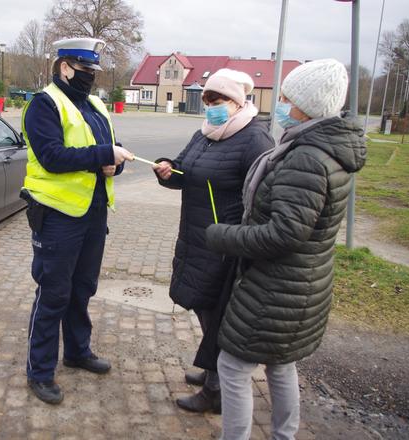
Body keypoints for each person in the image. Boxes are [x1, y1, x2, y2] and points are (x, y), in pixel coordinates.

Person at [205, 59, 366, 439]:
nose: (279, 102)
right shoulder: (324, 148)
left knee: (232, 366)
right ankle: (284, 435)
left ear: (306, 105)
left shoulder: (307, 157)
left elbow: (284, 234)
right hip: (304, 283)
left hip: (277, 286)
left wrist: (222, 235)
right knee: (280, 363)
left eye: (286, 97)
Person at [21, 37, 133, 405]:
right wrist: (103, 153)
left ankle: (77, 352)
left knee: (82, 289)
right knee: (53, 293)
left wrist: (113, 162)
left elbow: (102, 154)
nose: (90, 78)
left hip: (93, 213)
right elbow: (52, 156)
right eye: (85, 71)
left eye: (93, 72)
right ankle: (39, 372)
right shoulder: (44, 105)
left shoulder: (96, 105)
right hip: (57, 217)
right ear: (65, 67)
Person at [154, 69, 273, 413]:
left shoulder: (254, 139)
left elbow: (263, 197)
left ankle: (217, 391)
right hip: (195, 235)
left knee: (218, 316)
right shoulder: (204, 134)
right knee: (204, 309)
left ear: (237, 102)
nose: (211, 108)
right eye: (207, 101)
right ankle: (212, 372)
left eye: (217, 101)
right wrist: (168, 169)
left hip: (226, 244)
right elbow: (185, 170)